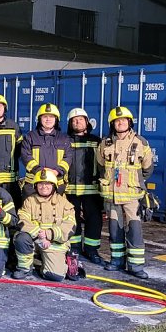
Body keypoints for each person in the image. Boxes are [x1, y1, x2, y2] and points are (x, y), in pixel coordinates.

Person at [96, 106, 154, 279]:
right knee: (114, 229)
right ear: (112, 124)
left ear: (129, 122)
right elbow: (100, 167)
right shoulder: (105, 143)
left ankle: (136, 266)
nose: (120, 123)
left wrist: (134, 182)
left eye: (123, 120)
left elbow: (147, 169)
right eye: (117, 121)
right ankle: (117, 260)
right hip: (112, 196)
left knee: (134, 230)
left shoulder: (140, 142)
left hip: (132, 196)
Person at [14, 169, 76, 281]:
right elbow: (22, 221)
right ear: (36, 186)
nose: (44, 187)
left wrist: (49, 235)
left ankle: (53, 263)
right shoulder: (29, 201)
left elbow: (70, 227)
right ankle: (25, 268)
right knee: (21, 238)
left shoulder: (64, 203)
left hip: (54, 242)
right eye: (41, 184)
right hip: (35, 239)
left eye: (47, 183)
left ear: (54, 186)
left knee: (55, 276)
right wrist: (40, 235)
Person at [65, 107, 104, 265]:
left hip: (92, 189)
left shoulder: (96, 141)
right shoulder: (64, 141)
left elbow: (103, 164)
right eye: (74, 120)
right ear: (69, 124)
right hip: (70, 189)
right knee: (72, 220)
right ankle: (74, 248)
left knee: (94, 220)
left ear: (87, 122)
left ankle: (92, 250)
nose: (77, 122)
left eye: (80, 119)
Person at [20, 103, 73, 199]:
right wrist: (40, 170)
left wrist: (57, 171)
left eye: (51, 117)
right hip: (33, 185)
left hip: (57, 185)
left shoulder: (64, 138)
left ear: (56, 119)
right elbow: (25, 156)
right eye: (45, 117)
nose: (48, 119)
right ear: (39, 119)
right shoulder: (30, 137)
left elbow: (68, 158)